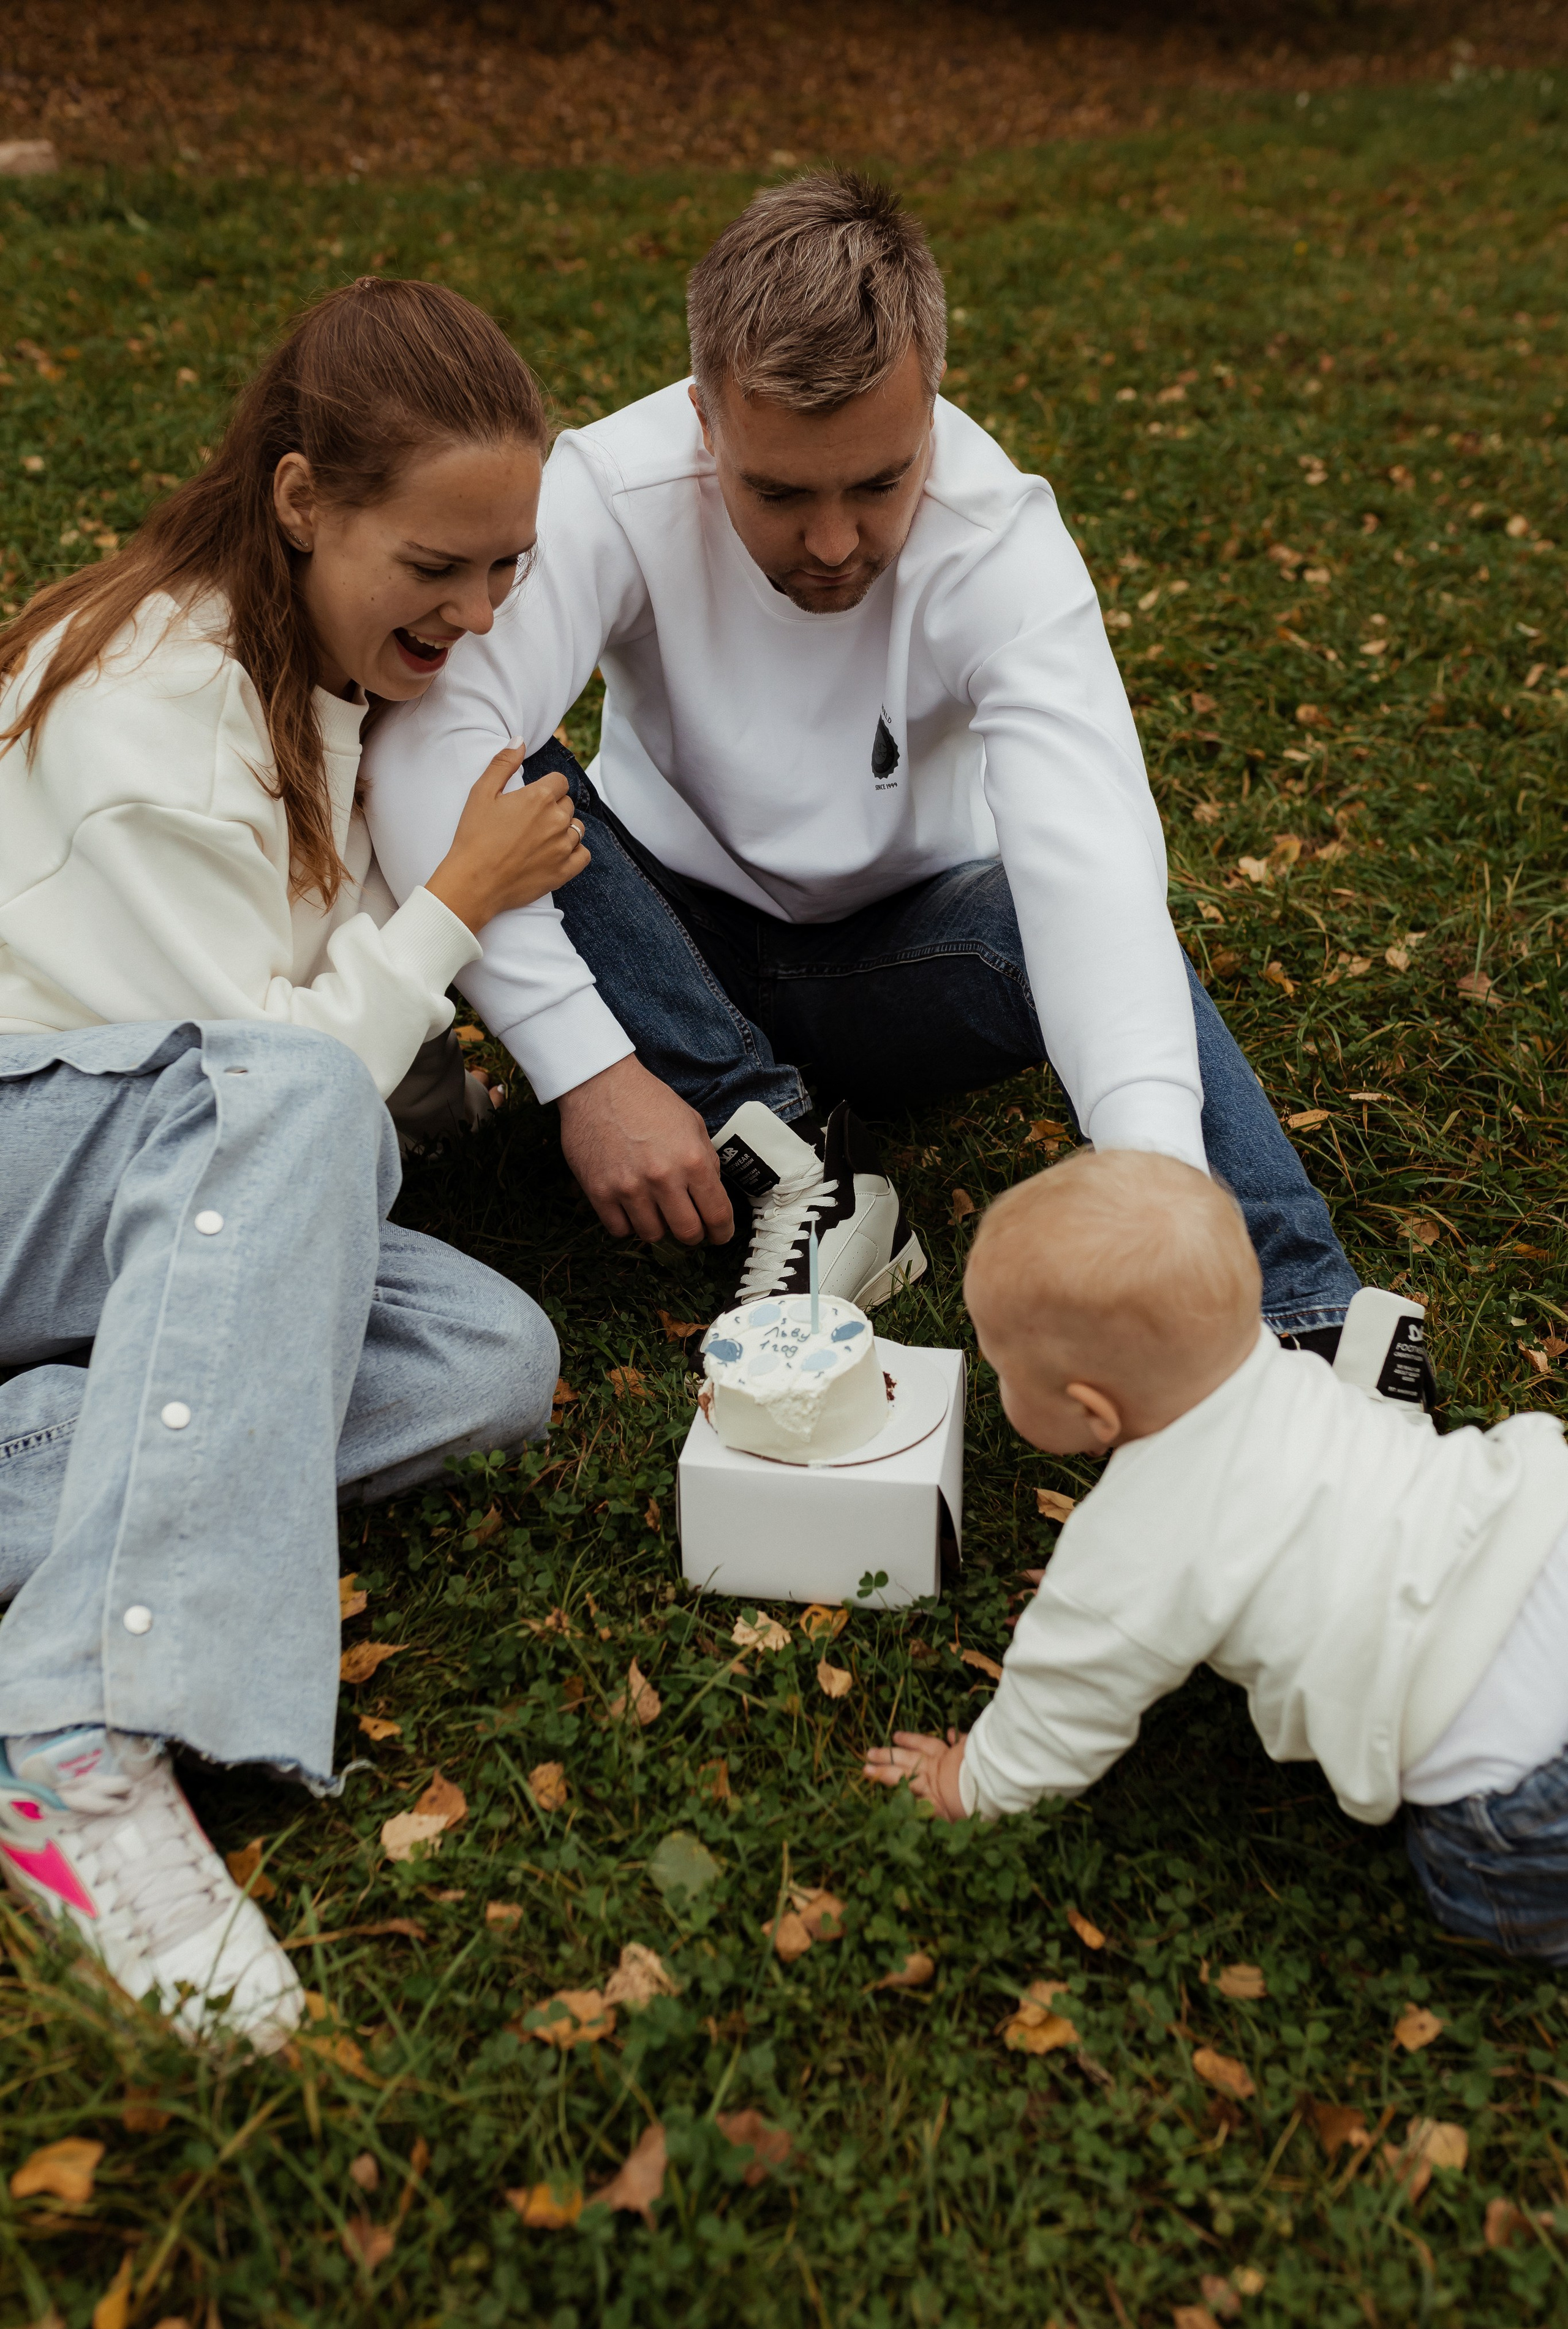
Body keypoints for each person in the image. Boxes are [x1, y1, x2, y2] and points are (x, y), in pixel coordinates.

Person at [364, 168, 1395, 1388]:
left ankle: (1299, 1315)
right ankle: (800, 1173)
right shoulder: (613, 486)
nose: (836, 543)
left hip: (899, 965)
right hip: (659, 944)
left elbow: (1090, 869)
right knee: (478, 748)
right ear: (704, 420)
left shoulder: (998, 543)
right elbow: (431, 741)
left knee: (1040, 909)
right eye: (780, 492)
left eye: (878, 482)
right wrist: (582, 1064)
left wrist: (1154, 1192)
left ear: (931, 410)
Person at [0, 277, 590, 2048]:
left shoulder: (317, 678)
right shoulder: (152, 711)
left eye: (510, 569)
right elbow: (259, 1108)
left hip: (120, 1196)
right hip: (36, 1146)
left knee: (493, 1357)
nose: (478, 612)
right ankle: (74, 1739)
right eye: (439, 566)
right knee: (299, 1111)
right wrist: (453, 910)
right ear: (301, 499)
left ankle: (85, 1501)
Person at [864, 1153, 1568, 1963]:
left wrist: (966, 1781)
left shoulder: (1127, 1544)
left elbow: (1062, 1702)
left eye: (1002, 1372)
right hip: (1540, 1551)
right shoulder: (1299, 1377)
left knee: (1485, 1893)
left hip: (1517, 1786)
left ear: (1092, 1411)